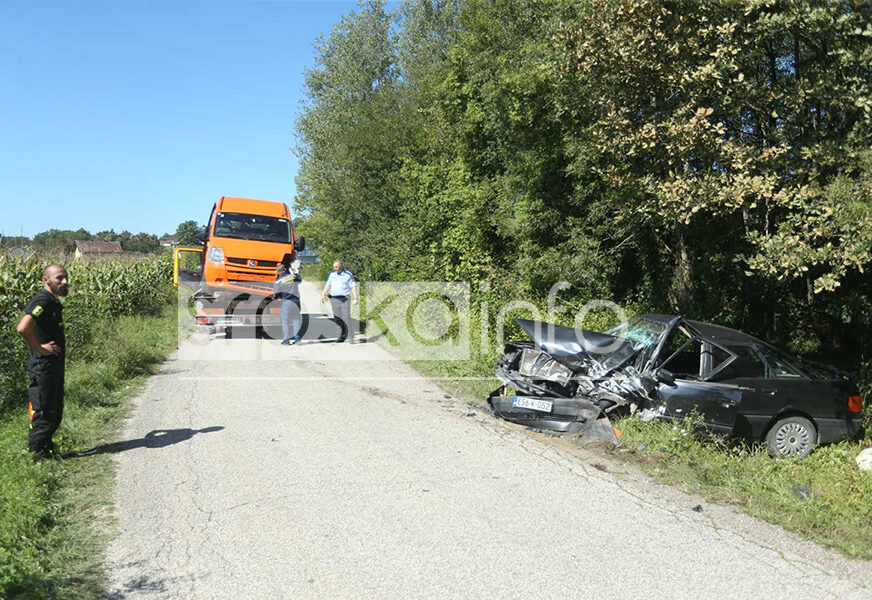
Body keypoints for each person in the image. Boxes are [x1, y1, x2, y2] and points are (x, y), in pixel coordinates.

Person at [16, 264, 69, 461]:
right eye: (59, 278)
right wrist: (41, 348)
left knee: (53, 410)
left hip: (53, 367)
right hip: (43, 367)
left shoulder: (53, 302)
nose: (64, 282)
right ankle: (38, 457)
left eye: (66, 278)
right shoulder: (43, 300)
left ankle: (46, 450)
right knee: (43, 411)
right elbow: (23, 328)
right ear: (46, 280)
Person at [320, 260, 358, 343]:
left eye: (336, 267)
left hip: (345, 299)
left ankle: (351, 336)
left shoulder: (348, 275)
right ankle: (341, 336)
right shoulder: (332, 274)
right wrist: (323, 294)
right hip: (334, 299)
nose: (335, 268)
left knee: (346, 317)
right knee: (337, 318)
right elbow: (328, 285)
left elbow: (353, 287)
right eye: (334, 267)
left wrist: (355, 298)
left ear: (341, 266)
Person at [274, 261, 302, 345]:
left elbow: (275, 294)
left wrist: (277, 297)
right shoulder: (292, 277)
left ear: (277, 272)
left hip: (287, 302)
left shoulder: (278, 281)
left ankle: (286, 340)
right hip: (296, 301)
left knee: (285, 320)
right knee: (296, 320)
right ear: (285, 269)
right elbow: (299, 280)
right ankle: (297, 340)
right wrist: (297, 273)